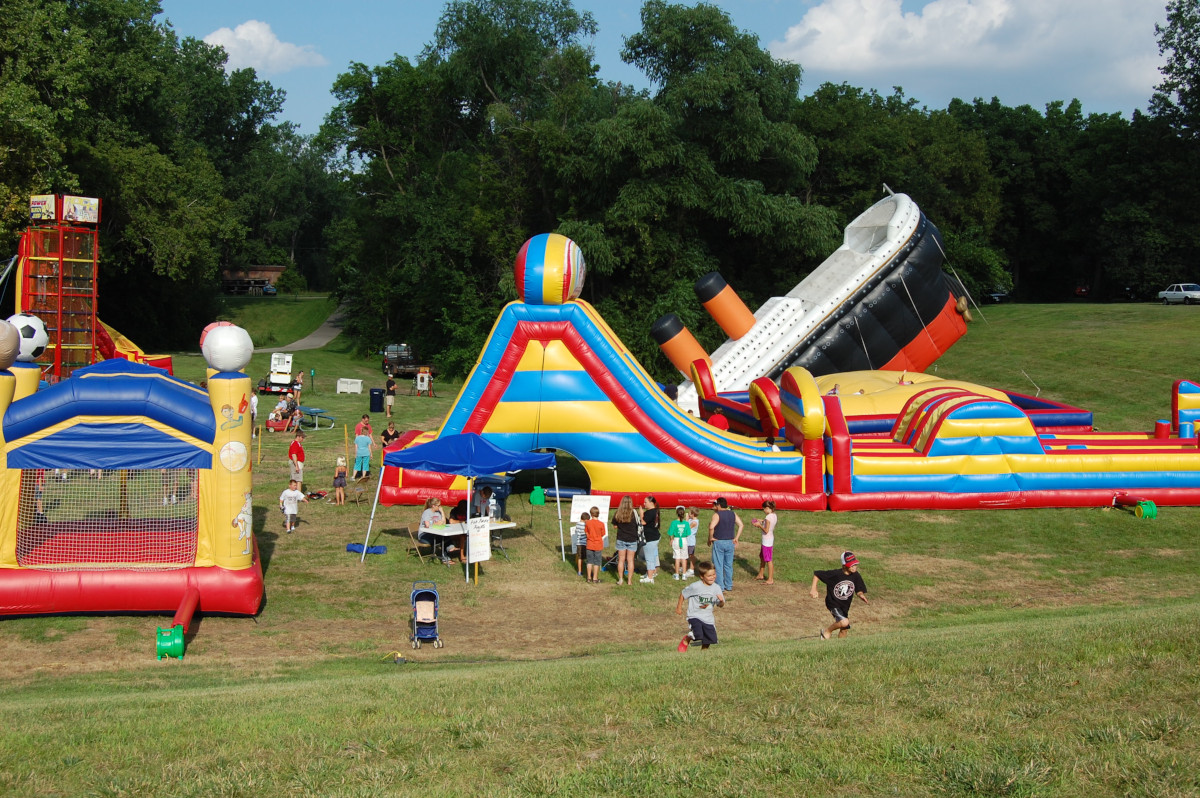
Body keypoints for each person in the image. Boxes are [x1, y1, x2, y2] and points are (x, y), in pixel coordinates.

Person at [811, 550, 870, 639]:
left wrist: (861, 595)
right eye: (852, 565)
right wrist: (813, 589)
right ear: (844, 565)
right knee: (844, 622)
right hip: (833, 603)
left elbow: (859, 589)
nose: (854, 567)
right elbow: (817, 574)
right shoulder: (836, 574)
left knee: (844, 628)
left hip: (845, 605)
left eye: (855, 564)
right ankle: (827, 631)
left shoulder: (856, 575)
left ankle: (840, 646)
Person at [676, 560, 724, 652]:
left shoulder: (716, 588)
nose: (712, 577)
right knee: (698, 634)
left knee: (710, 638)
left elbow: (720, 605)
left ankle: (703, 653)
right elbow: (683, 594)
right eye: (709, 576)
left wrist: (721, 601)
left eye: (714, 574)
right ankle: (687, 639)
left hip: (708, 618)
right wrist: (679, 607)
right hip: (695, 615)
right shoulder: (695, 586)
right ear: (702, 577)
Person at [707, 497, 743, 593]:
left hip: (719, 541)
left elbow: (711, 527)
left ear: (718, 505)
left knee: (718, 564)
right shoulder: (733, 514)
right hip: (730, 542)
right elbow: (741, 525)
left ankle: (720, 586)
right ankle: (729, 585)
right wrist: (736, 538)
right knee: (728, 564)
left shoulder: (717, 515)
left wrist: (711, 537)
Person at [611, 495, 641, 586]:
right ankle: (629, 581)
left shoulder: (618, 513)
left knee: (621, 560)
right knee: (630, 560)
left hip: (621, 538)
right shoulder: (634, 513)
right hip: (632, 539)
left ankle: (620, 579)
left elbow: (615, 526)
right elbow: (638, 524)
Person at [752, 500, 777, 584]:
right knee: (762, 557)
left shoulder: (768, 517)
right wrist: (762, 521)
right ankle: (761, 574)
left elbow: (766, 530)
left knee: (768, 559)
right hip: (768, 540)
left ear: (767, 508)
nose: (763, 510)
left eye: (764, 509)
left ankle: (770, 579)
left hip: (767, 541)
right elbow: (769, 523)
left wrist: (759, 525)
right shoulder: (773, 515)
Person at [639, 495, 661, 583]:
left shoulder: (649, 512)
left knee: (649, 558)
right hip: (655, 536)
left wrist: (641, 514)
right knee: (652, 556)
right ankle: (650, 573)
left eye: (645, 502)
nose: (644, 504)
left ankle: (650, 577)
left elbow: (643, 522)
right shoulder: (655, 511)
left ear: (651, 503)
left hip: (650, 538)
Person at [667, 506, 690, 580]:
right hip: (684, 540)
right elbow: (688, 533)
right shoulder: (686, 523)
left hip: (676, 539)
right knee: (684, 558)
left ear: (676, 513)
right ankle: (684, 574)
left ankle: (676, 574)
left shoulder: (674, 522)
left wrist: (671, 539)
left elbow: (670, 533)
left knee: (677, 558)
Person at [584, 506, 606, 583]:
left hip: (589, 544)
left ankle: (589, 578)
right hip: (598, 544)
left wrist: (589, 536)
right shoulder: (601, 524)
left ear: (591, 514)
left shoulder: (588, 523)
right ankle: (595, 578)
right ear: (598, 514)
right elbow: (603, 534)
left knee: (589, 561)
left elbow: (586, 532)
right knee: (597, 562)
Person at [573, 511, 589, 576]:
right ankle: (586, 570)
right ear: (585, 520)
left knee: (580, 558)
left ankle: (579, 571)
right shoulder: (585, 525)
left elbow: (576, 531)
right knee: (585, 557)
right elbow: (586, 533)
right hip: (584, 543)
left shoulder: (577, 524)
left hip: (578, 543)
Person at [685, 507, 700, 577]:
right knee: (686, 554)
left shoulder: (694, 522)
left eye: (690, 513)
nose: (688, 514)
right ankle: (685, 567)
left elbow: (686, 528)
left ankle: (691, 569)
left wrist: (686, 519)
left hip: (691, 541)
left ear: (693, 514)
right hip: (687, 540)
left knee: (691, 555)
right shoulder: (691, 520)